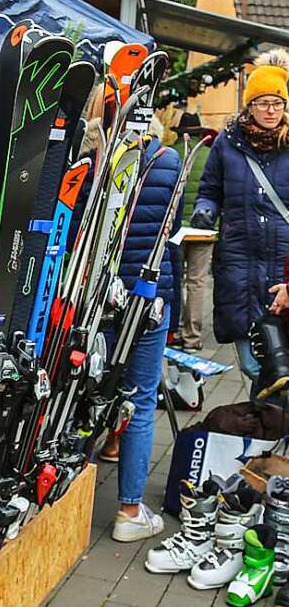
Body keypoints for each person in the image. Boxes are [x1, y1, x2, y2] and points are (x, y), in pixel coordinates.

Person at [193, 49, 289, 398]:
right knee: (254, 365)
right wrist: (204, 210)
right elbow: (209, 190)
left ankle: (267, 438)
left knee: (281, 367)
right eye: (263, 103)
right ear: (250, 105)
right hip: (238, 268)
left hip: (284, 270)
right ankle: (266, 435)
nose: (270, 111)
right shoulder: (227, 144)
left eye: (277, 104)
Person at [104, 134, 181, 542]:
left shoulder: (92, 153)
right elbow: (174, 230)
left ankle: (70, 491)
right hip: (148, 297)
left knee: (95, 391)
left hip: (98, 298)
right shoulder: (168, 161)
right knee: (139, 398)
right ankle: (129, 509)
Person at [170, 111, 217, 351]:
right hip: (205, 229)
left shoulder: (171, 154)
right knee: (197, 281)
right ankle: (192, 337)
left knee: (176, 278)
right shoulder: (210, 155)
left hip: (176, 230)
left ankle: (173, 329)